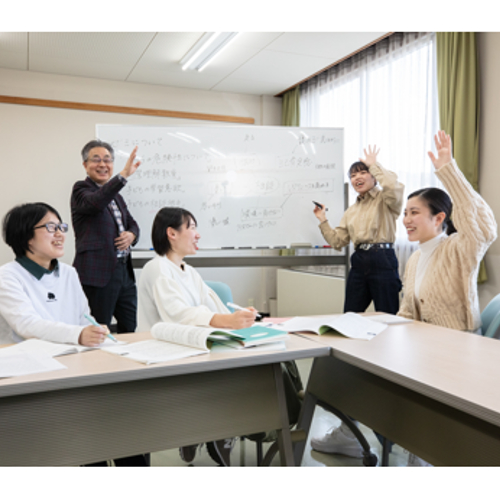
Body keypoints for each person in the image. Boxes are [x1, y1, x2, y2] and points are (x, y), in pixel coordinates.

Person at [398, 131, 497, 465]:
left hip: (458, 353)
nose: (406, 220)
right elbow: (406, 312)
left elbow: (485, 229)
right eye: (405, 213)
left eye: (414, 213)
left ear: (439, 218)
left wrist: (449, 170)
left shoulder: (458, 248)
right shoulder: (413, 259)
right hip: (425, 352)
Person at [138, 207, 257, 466]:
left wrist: (239, 316)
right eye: (191, 227)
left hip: (192, 346)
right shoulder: (156, 267)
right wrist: (227, 321)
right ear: (171, 233)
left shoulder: (188, 270)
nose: (197, 234)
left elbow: (212, 305)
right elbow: (177, 314)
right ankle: (204, 431)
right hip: (164, 351)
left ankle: (213, 431)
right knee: (224, 374)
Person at [310, 146, 404, 458]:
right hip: (360, 262)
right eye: (353, 175)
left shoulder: (385, 200)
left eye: (361, 172)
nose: (357, 178)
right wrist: (323, 220)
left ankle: (391, 380)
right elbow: (338, 240)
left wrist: (376, 165)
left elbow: (395, 188)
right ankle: (354, 379)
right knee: (348, 321)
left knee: (389, 322)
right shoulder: (352, 210)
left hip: (383, 257)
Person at [0, 202, 107, 346]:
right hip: (28, 359)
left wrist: (95, 331)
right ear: (27, 237)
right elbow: (27, 325)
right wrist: (78, 334)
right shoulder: (7, 276)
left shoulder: (69, 272)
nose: (60, 234)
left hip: (72, 355)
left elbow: (84, 318)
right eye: (51, 227)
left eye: (61, 227)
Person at [71, 139, 140, 334]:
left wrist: (131, 235)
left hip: (124, 272)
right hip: (97, 274)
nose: (103, 164)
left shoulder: (116, 197)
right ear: (85, 165)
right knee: (99, 329)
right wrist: (124, 175)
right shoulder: (80, 190)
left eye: (108, 160)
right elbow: (96, 202)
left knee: (129, 327)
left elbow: (132, 223)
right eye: (96, 160)